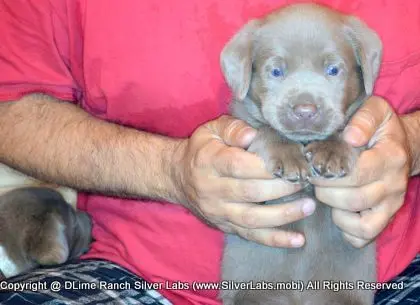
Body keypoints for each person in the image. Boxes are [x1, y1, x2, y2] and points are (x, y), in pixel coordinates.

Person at [0, 0, 418, 304]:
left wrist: (410, 144)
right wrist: (169, 171)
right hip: (133, 272)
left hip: (396, 272)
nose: (306, 104)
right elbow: (11, 108)